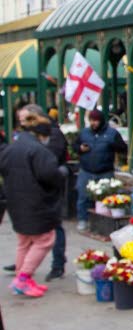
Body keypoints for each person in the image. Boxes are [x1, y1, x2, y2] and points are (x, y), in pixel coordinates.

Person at [0, 121, 65, 297]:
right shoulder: (39, 151)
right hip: (35, 203)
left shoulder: (11, 148)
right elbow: (50, 175)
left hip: (15, 202)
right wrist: (62, 174)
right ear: (42, 136)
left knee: (24, 241)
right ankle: (23, 278)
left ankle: (22, 280)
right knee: (45, 239)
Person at [15, 104, 68, 278]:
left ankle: (57, 264)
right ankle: (22, 268)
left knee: (53, 227)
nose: (22, 123)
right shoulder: (29, 140)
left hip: (47, 190)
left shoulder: (52, 134)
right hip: (33, 189)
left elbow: (50, 161)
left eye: (25, 119)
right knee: (27, 234)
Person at [73, 109, 128, 230]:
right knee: (83, 197)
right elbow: (75, 145)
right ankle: (83, 220)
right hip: (86, 170)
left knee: (107, 198)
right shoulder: (84, 133)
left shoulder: (112, 133)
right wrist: (80, 148)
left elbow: (123, 148)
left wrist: (114, 145)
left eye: (96, 120)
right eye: (91, 120)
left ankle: (105, 222)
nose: (93, 123)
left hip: (105, 171)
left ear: (101, 121)